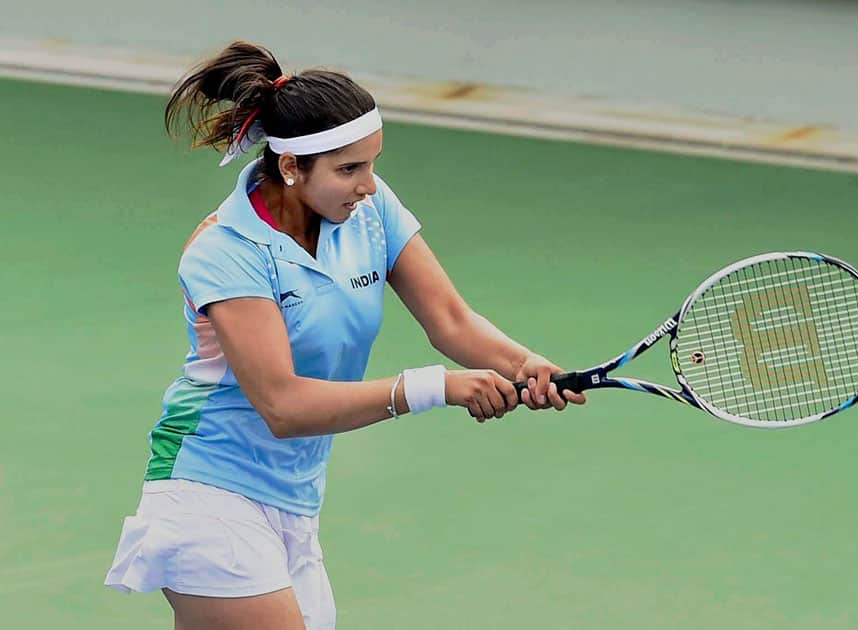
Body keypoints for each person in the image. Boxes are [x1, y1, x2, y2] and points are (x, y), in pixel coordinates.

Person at [104, 41, 586, 630]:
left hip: (295, 500)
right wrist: (434, 389)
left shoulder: (371, 209)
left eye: (372, 163)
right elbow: (282, 405)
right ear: (290, 167)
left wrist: (524, 363)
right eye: (348, 169)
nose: (367, 184)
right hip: (208, 490)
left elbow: (451, 321)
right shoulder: (226, 252)